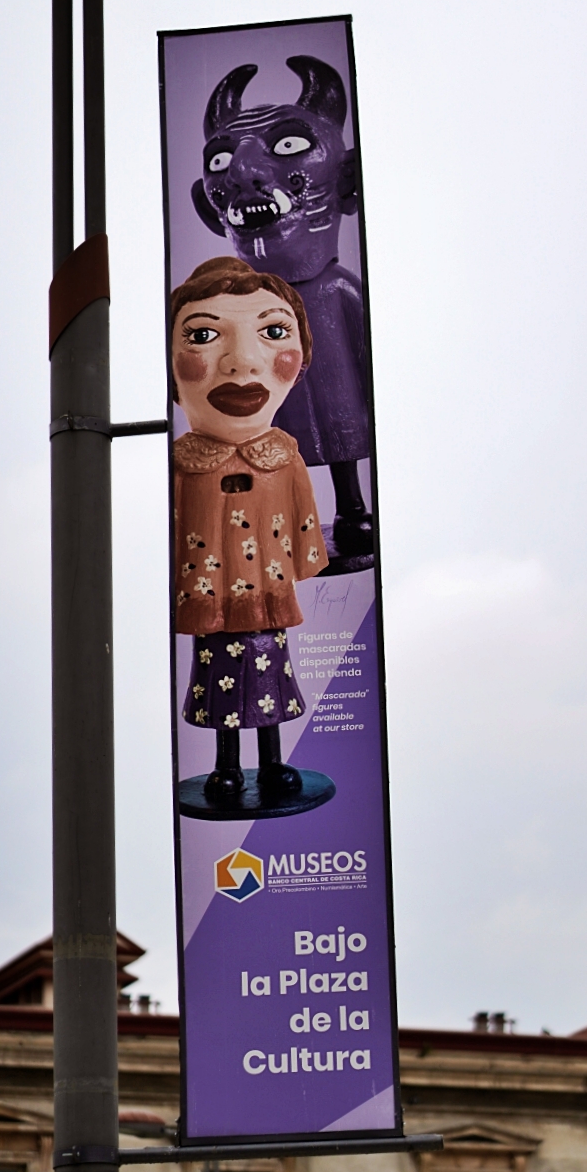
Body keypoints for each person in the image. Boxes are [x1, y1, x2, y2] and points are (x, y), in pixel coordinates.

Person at [190, 54, 372, 558]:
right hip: (275, 404)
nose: (243, 171)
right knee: (278, 453)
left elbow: (370, 357)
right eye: (222, 160)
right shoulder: (244, 307)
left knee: (337, 448)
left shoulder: (338, 290)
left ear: (347, 181)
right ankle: (295, 525)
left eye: (289, 145)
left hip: (337, 401)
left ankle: (351, 509)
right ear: (208, 208)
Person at [172, 256, 329, 803]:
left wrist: (303, 562)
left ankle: (271, 761)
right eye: (203, 335)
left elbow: (306, 525)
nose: (241, 363)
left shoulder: (284, 456)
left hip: (266, 596)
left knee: (270, 679)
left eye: (273, 332)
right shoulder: (181, 466)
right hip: (210, 598)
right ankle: (226, 766)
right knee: (219, 684)